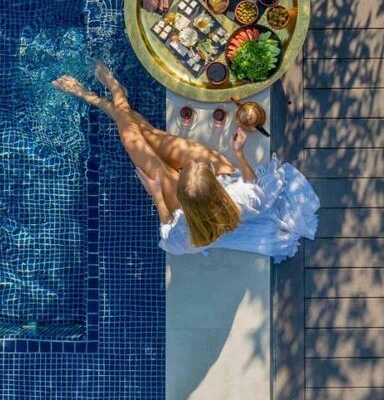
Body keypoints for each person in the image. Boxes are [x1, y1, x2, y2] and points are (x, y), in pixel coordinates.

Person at [52, 62, 319, 262]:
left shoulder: (183, 231)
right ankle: (107, 98)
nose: (183, 168)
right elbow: (251, 182)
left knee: (134, 139)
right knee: (150, 136)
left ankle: (107, 94)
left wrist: (157, 195)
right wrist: (238, 153)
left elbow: (166, 230)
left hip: (182, 199)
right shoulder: (243, 197)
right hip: (218, 183)